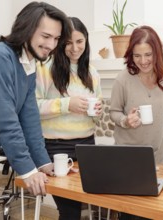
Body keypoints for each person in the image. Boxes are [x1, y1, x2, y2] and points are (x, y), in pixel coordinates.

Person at [0, 1, 72, 217]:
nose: (51, 45)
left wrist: (43, 162)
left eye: (56, 39)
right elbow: (6, 120)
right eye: (45, 36)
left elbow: (29, 118)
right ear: (26, 29)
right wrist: (28, 170)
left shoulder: (28, 66)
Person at [36, 17, 102, 220]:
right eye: (68, 42)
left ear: (86, 41)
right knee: (70, 210)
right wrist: (66, 104)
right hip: (56, 147)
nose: (74, 48)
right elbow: (32, 107)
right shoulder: (46, 68)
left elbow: (95, 114)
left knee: (88, 203)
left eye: (79, 41)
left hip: (87, 145)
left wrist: (97, 112)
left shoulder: (92, 73)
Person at [110, 25, 163, 165]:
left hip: (157, 156)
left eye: (148, 54)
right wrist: (126, 120)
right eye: (137, 55)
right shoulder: (122, 79)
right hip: (127, 156)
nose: (143, 61)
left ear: (157, 52)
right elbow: (114, 112)